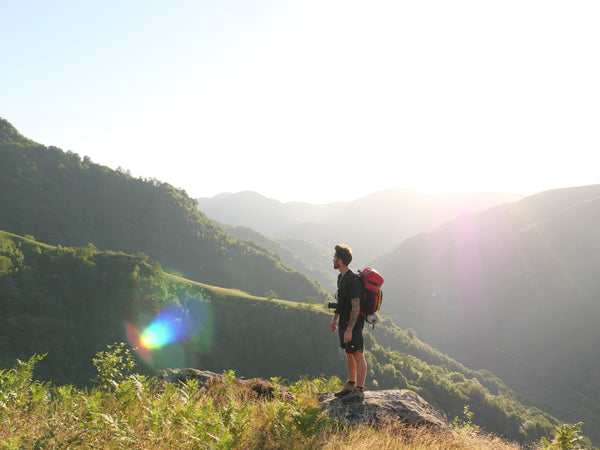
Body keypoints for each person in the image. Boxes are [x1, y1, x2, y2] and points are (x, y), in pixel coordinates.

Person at [330, 244, 366, 403]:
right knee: (348, 353)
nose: (333, 259)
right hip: (344, 321)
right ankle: (350, 385)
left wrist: (350, 329)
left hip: (353, 323)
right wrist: (334, 319)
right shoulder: (341, 277)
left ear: (341, 260)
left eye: (335, 257)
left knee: (357, 354)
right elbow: (341, 302)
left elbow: (355, 305)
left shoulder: (353, 280)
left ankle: (359, 390)